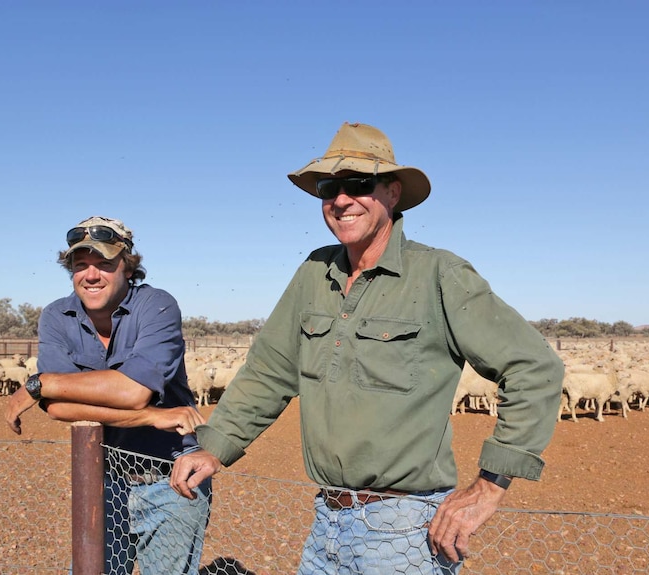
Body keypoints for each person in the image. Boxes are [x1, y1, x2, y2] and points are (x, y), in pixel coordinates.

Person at [170, 123, 564, 574]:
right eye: (328, 187)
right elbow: (270, 371)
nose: (341, 199)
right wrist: (215, 446)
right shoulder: (314, 273)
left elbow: (535, 368)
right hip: (327, 523)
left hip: (406, 530)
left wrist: (489, 487)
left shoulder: (438, 274)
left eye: (358, 184)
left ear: (392, 194)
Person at [5, 215, 211, 575]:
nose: (91, 274)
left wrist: (40, 383)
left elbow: (133, 391)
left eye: (104, 264)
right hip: (103, 475)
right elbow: (57, 410)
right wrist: (151, 416)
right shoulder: (57, 316)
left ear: (127, 267)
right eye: (80, 265)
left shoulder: (157, 307)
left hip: (171, 477)